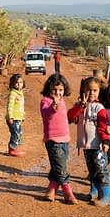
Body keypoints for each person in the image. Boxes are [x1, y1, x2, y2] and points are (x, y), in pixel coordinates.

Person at [68, 77, 110, 206]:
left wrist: (105, 141)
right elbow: (70, 117)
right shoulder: (79, 106)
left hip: (98, 145)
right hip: (87, 146)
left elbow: (103, 126)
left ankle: (107, 196)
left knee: (101, 169)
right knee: (92, 169)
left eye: (95, 90)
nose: (92, 93)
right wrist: (80, 107)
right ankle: (95, 191)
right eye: (89, 90)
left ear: (99, 92)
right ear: (83, 90)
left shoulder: (99, 108)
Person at [40, 73, 77, 204]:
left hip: (65, 139)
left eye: (60, 90)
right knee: (60, 167)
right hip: (53, 140)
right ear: (49, 89)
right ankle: (68, 192)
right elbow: (46, 114)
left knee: (57, 166)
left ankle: (51, 190)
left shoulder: (62, 101)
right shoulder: (46, 101)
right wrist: (53, 107)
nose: (57, 92)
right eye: (54, 90)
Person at [6, 73, 25, 157]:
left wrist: (23, 116)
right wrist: (10, 117)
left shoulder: (20, 93)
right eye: (17, 82)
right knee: (15, 134)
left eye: (20, 82)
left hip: (18, 118)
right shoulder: (13, 94)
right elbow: (9, 106)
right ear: (13, 83)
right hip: (13, 118)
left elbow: (21, 106)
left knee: (18, 133)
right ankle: (12, 149)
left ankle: (14, 148)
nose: (19, 84)